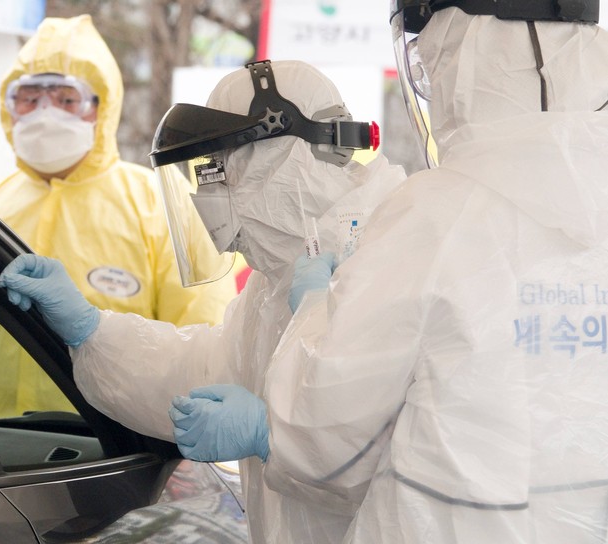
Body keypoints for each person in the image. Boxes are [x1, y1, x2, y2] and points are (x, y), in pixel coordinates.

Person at [171, 2, 608, 542]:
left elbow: (329, 428)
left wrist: (310, 318)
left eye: (432, 59)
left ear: (465, 58)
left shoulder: (438, 216)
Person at [0, 59, 407, 543]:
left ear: (279, 158)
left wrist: (276, 434)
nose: (205, 195)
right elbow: (209, 373)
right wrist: (93, 331)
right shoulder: (279, 281)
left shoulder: (397, 256)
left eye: (216, 170)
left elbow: (417, 462)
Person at [0, 14, 236, 418]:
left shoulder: (161, 208)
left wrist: (189, 452)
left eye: (68, 99)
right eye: (29, 98)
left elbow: (207, 344)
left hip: (119, 460)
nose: (46, 114)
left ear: (103, 108)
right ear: (8, 107)